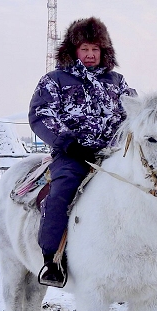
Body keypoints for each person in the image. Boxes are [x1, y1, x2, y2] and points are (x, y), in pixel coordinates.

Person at [29, 17, 135, 288]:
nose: (90, 55)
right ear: (73, 49)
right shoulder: (54, 80)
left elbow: (135, 112)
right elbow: (42, 115)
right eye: (85, 48)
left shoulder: (117, 82)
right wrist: (67, 143)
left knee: (145, 185)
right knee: (62, 189)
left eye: (95, 49)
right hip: (73, 154)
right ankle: (52, 258)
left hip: (113, 153)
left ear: (104, 52)